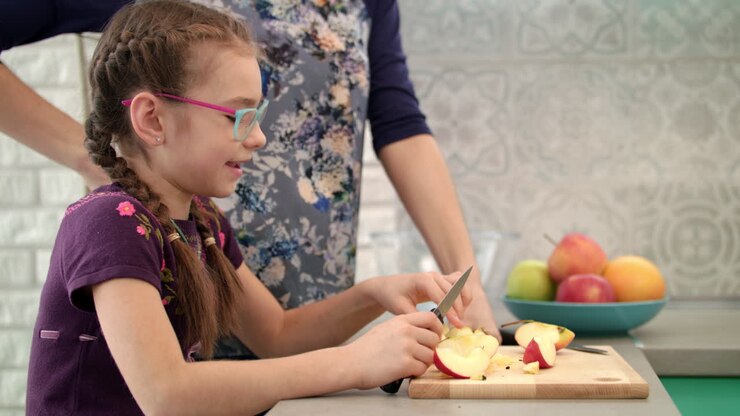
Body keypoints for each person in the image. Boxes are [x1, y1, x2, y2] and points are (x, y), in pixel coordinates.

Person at [25, 1, 472, 414]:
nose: (258, 139)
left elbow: (278, 337)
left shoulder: (202, 222)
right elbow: (167, 393)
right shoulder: (109, 224)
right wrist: (353, 363)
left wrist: (371, 296)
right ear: (152, 119)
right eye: (238, 116)